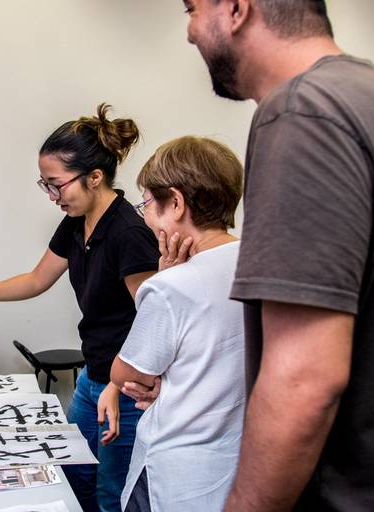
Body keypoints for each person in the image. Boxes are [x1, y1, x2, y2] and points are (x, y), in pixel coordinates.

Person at [175, 1, 374, 510]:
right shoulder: (371, 96)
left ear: (236, 8)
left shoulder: (301, 113)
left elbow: (305, 379)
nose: (190, 32)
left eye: (191, 9)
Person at [0, 104, 160, 512]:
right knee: (73, 475)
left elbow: (153, 323)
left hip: (127, 389)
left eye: (56, 185)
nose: (52, 196)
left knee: (110, 492)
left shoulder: (129, 232)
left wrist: (117, 384)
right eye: (44, 185)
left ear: (95, 177)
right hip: (93, 378)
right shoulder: (76, 222)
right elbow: (37, 278)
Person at [110, 136, 245, 511]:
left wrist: (160, 280)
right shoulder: (262, 265)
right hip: (240, 463)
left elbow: (126, 373)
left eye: (147, 205)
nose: (146, 218)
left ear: (176, 202)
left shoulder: (171, 287)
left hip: (176, 471)